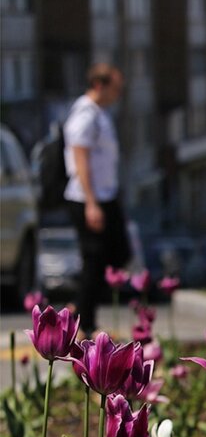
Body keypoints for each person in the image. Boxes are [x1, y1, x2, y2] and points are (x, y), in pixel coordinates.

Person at [63, 63, 131, 336]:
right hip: (87, 198)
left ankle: (79, 309)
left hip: (105, 195)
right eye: (116, 88)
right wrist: (91, 202)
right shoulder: (85, 114)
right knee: (94, 258)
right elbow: (80, 157)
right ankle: (82, 318)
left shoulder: (100, 114)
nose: (118, 94)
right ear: (99, 85)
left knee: (117, 254)